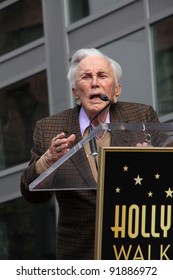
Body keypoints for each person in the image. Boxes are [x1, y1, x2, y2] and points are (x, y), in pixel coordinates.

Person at [20, 48, 173, 260]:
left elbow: (167, 171)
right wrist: (46, 162)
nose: (94, 83)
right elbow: (32, 194)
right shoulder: (49, 129)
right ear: (76, 91)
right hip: (81, 254)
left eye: (102, 76)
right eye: (86, 77)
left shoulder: (141, 116)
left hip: (135, 248)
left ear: (116, 91)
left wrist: (151, 162)